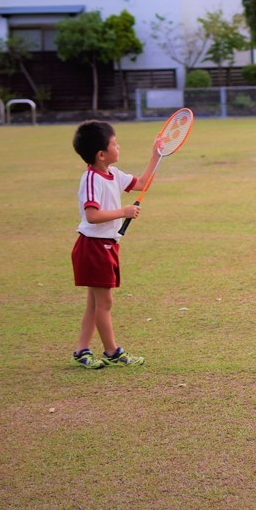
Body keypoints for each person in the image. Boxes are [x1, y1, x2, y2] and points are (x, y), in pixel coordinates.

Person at [70, 121, 160, 368]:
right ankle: (112, 352)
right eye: (114, 143)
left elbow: (142, 184)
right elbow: (92, 215)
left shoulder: (114, 174)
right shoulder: (91, 179)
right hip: (93, 247)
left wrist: (156, 156)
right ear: (101, 154)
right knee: (105, 303)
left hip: (105, 245)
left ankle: (82, 350)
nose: (118, 147)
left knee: (95, 303)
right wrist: (124, 211)